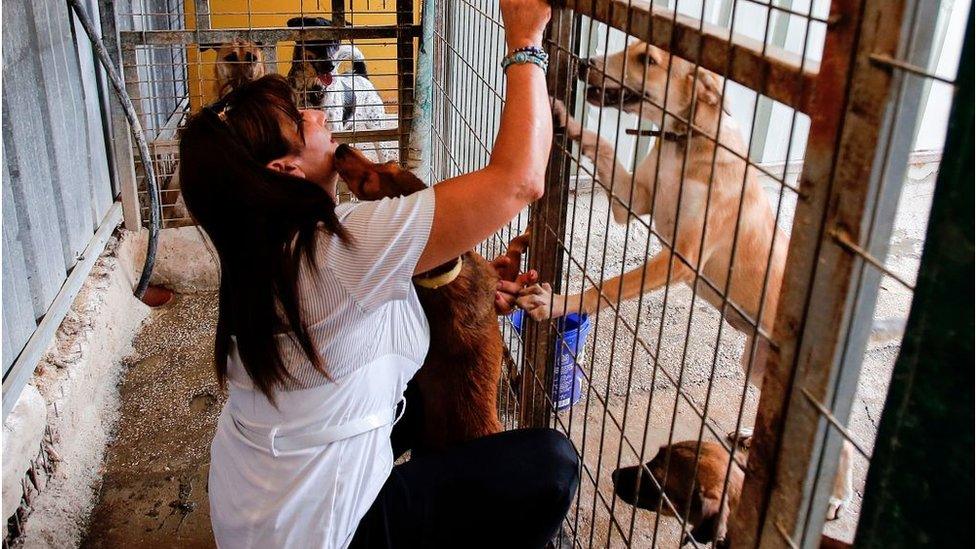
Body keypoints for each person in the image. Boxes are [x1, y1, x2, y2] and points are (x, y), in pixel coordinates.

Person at [177, 1, 577, 547]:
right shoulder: (342, 247)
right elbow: (520, 180)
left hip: (254, 509)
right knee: (550, 463)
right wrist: (525, 40)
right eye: (301, 121)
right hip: (324, 534)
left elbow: (381, 307)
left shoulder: (256, 244)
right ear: (286, 170)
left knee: (431, 383)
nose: (317, 116)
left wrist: (473, 288)